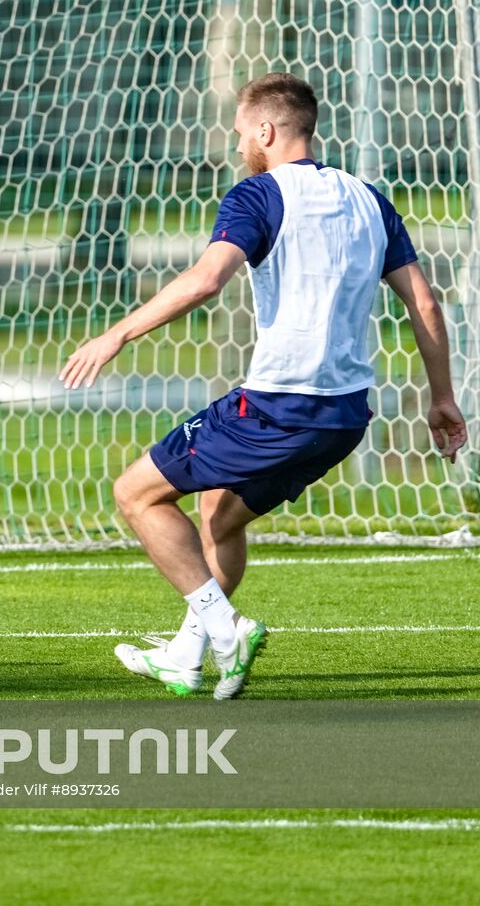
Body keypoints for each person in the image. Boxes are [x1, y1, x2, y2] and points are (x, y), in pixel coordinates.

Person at [61, 73, 467, 699]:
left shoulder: (257, 195)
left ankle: (227, 628)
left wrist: (116, 335)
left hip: (277, 404)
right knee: (219, 516)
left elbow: (205, 280)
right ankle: (186, 656)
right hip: (345, 416)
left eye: (241, 132)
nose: (238, 143)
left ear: (267, 130)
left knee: (136, 494)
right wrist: (441, 398)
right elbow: (426, 305)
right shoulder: (369, 199)